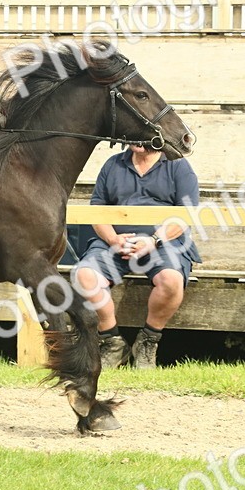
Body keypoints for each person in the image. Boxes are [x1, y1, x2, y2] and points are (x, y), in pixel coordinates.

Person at [71, 143, 202, 369]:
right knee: (84, 276)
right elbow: (97, 211)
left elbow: (186, 215)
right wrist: (113, 239)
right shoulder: (113, 165)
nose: (138, 141)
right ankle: (112, 342)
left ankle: (148, 341)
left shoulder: (178, 166)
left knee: (171, 280)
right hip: (115, 242)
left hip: (163, 242)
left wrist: (154, 240)